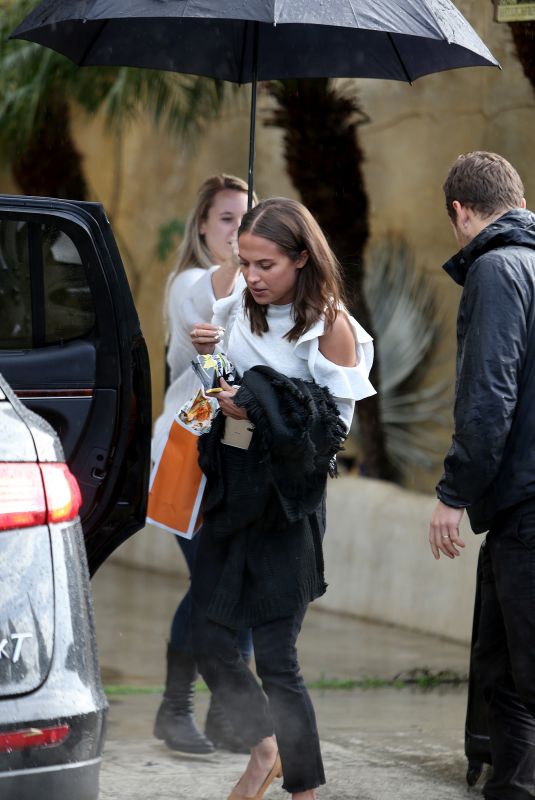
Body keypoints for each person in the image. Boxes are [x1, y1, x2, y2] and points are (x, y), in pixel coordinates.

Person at [189, 197, 376, 800]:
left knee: (275, 656)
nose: (252, 277)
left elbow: (327, 439)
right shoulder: (234, 306)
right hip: (231, 488)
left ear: (302, 257)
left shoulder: (332, 329)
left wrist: (258, 409)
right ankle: (265, 747)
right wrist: (210, 360)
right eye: (245, 263)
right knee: (208, 638)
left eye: (265, 264)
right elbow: (219, 387)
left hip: (287, 506)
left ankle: (303, 791)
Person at [428, 152, 535, 800]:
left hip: (523, 507)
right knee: (501, 674)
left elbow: (487, 397)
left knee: (525, 673)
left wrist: (452, 493)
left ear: (459, 212)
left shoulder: (496, 270)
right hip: (517, 514)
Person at [152, 174, 256, 755]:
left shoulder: (255, 288)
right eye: (227, 218)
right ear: (201, 226)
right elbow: (215, 291)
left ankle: (228, 715)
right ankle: (175, 709)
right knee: (213, 580)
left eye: (248, 217)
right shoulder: (189, 284)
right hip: (187, 452)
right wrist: (252, 247)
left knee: (236, 576)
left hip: (234, 452)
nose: (238, 229)